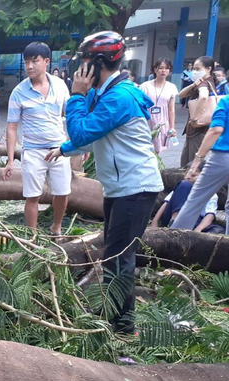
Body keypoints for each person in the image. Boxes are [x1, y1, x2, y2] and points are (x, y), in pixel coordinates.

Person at [45, 31, 163, 334]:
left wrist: (76, 95)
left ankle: (122, 327)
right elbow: (91, 137)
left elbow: (83, 131)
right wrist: (64, 149)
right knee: (117, 255)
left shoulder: (119, 97)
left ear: (98, 63)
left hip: (134, 188)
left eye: (85, 62)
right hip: (122, 188)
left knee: (117, 258)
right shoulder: (111, 94)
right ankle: (116, 316)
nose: (80, 70)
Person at [3, 42, 72, 235]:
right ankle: (31, 237)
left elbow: (71, 115)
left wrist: (77, 145)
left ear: (46, 61)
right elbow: (11, 127)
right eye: (26, 62)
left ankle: (56, 228)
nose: (30, 66)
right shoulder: (19, 92)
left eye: (35, 61)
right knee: (33, 196)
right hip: (33, 151)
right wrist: (10, 161)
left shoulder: (60, 86)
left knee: (62, 192)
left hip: (60, 150)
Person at [171, 95, 229, 235]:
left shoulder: (225, 101)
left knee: (196, 200)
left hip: (223, 156)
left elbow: (216, 130)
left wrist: (197, 159)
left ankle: (174, 243)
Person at [151, 165, 223, 234]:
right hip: (172, 217)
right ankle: (175, 221)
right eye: (186, 174)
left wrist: (199, 229)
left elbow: (210, 215)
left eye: (193, 175)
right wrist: (155, 221)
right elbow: (166, 203)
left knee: (218, 229)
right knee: (185, 184)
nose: (188, 177)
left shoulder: (210, 194)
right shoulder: (182, 187)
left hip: (193, 219)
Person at [178, 56, 217, 168]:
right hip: (194, 131)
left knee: (192, 167)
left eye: (198, 69)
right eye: (194, 69)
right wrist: (193, 84)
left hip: (198, 131)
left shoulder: (204, 84)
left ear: (208, 69)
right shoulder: (204, 82)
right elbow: (181, 94)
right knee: (187, 165)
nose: (194, 71)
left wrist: (194, 118)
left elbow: (203, 97)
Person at [140, 58, 179, 154]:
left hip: (162, 122)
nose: (164, 71)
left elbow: (171, 109)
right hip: (147, 121)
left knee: (157, 150)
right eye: (161, 68)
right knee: (144, 148)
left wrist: (172, 127)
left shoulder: (171, 87)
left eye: (167, 68)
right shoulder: (145, 86)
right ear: (155, 69)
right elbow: (140, 105)